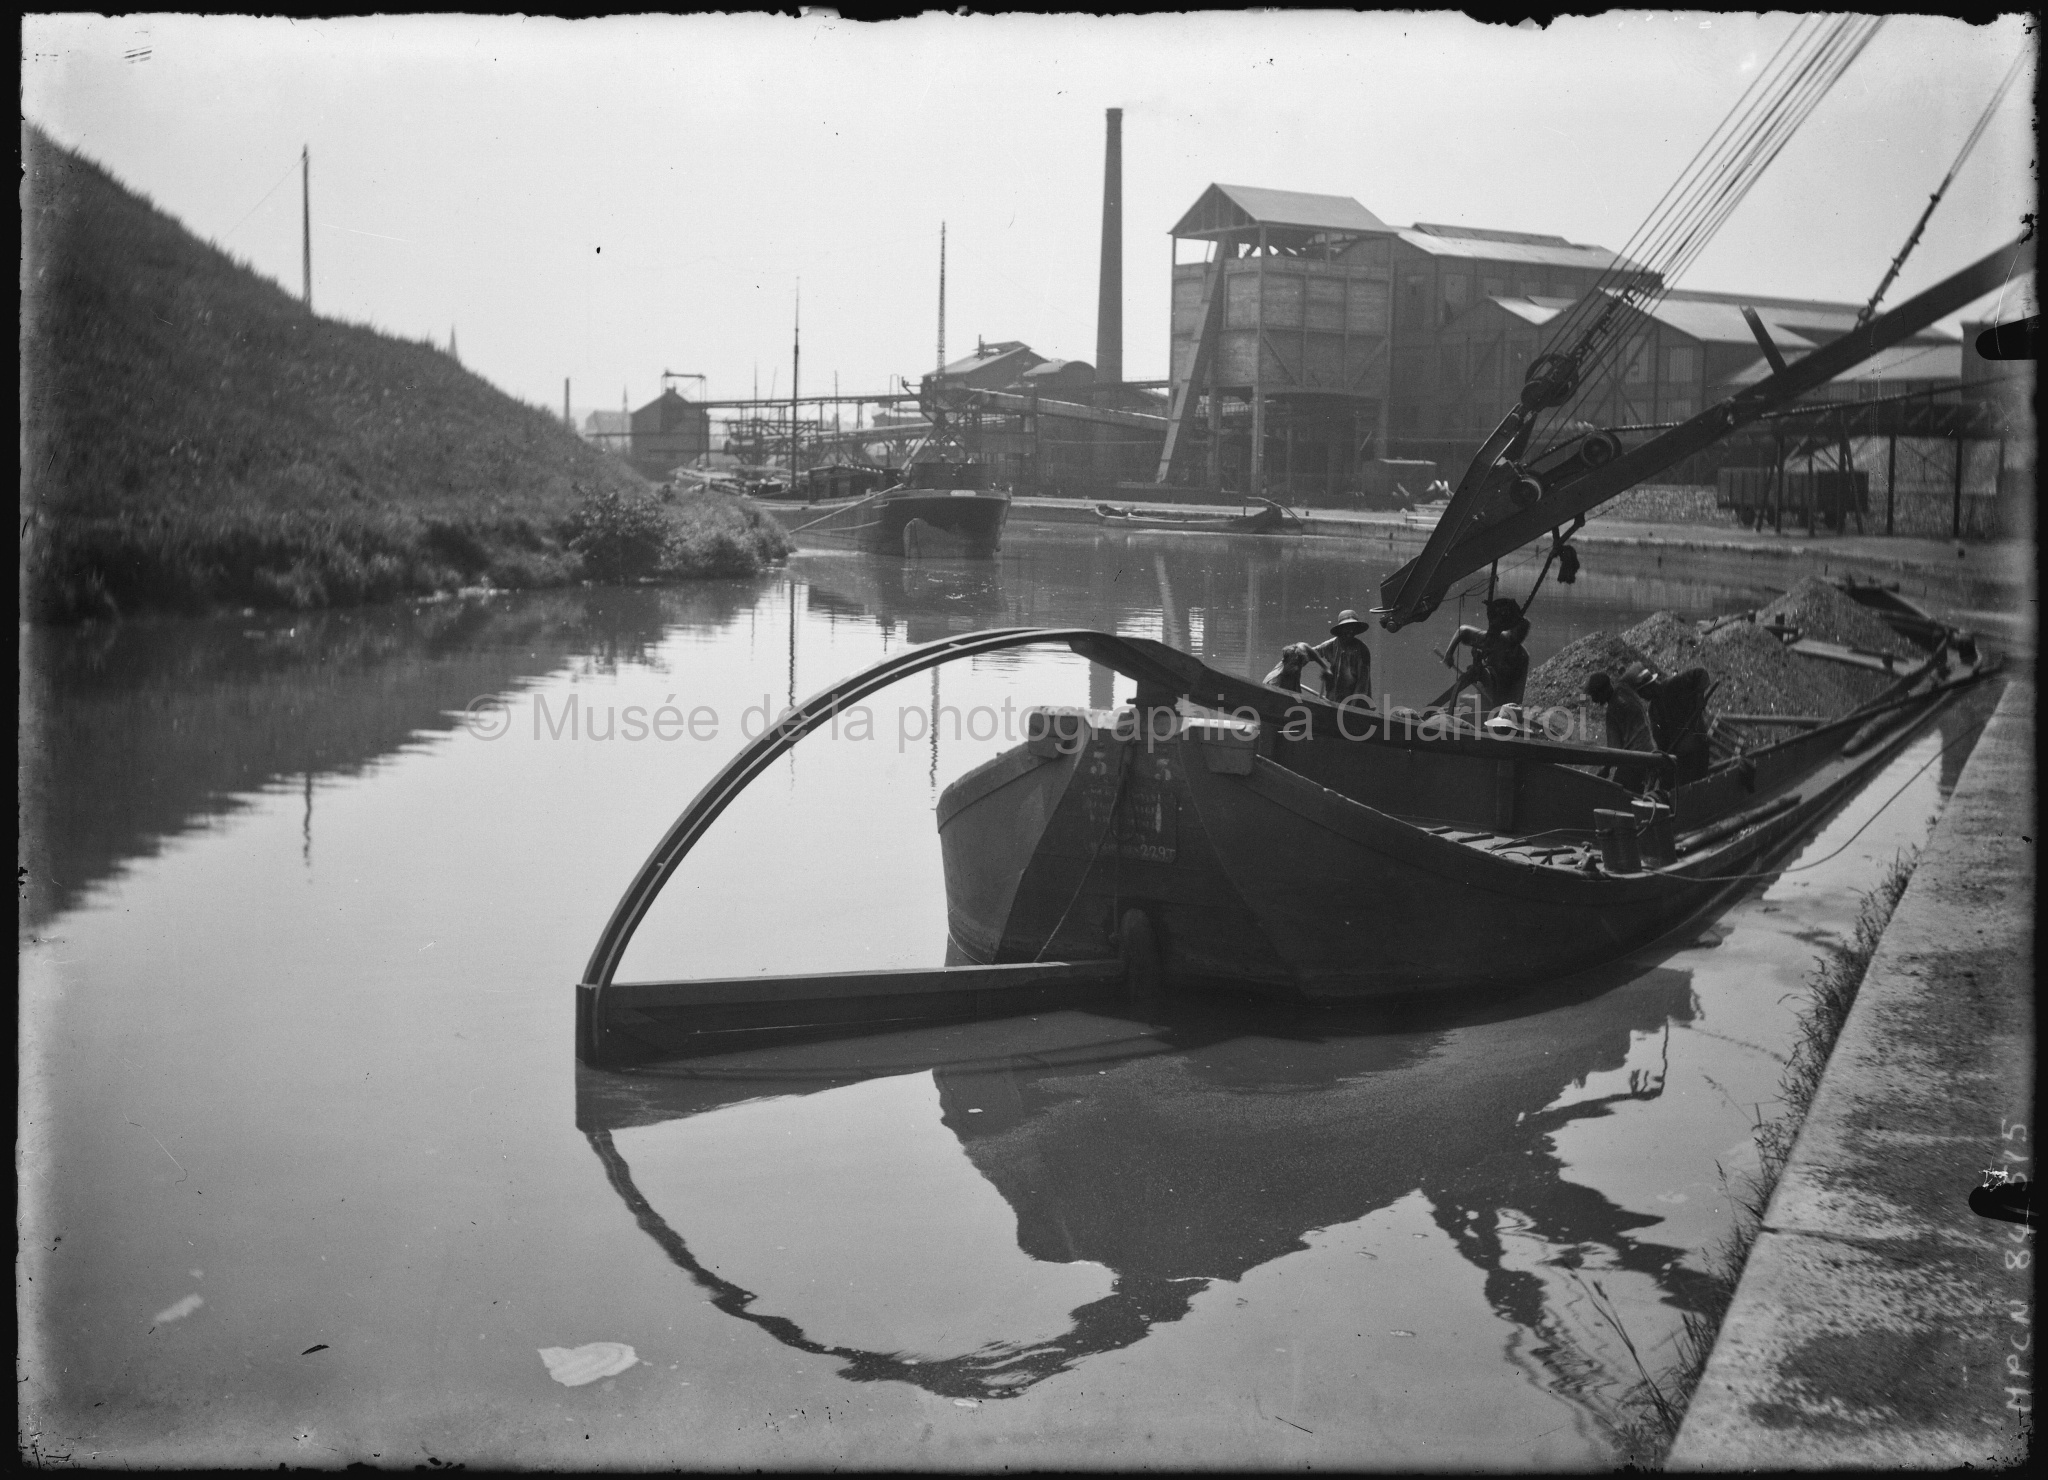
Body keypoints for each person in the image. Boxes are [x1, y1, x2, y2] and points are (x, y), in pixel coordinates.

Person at [1441, 597, 1532, 714]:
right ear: (1511, 629)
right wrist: (1449, 653)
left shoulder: (1522, 656)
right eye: (1517, 632)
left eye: (1522, 635)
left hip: (1504, 699)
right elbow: (1463, 631)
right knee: (1483, 714)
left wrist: (1515, 707)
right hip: (1486, 691)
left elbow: (1519, 689)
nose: (1520, 636)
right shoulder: (1496, 640)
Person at [1585, 669, 1656, 792]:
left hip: (1633, 759)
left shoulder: (1611, 713)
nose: (1594, 700)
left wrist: (1606, 770)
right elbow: (1636, 668)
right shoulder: (1625, 688)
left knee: (1617, 793)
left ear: (1602, 692)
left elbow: (1614, 748)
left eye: (1595, 695)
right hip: (1650, 749)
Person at [1308, 610, 1374, 704]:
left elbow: (1362, 685)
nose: (1350, 632)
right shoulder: (1331, 645)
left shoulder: (1362, 650)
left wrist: (1351, 709)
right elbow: (1310, 653)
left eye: (1352, 628)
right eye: (1347, 628)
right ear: (1341, 629)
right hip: (1333, 700)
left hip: (1355, 703)